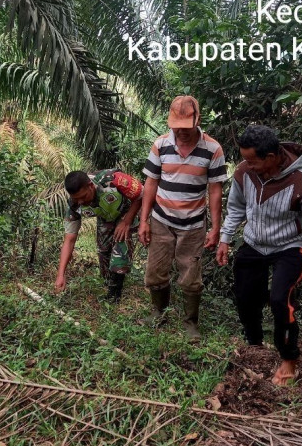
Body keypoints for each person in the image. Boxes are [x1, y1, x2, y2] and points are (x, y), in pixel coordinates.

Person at [216, 124, 302, 386]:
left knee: (280, 300)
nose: (246, 165)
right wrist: (225, 238)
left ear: (270, 158)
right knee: (246, 296)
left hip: (288, 247)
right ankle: (255, 344)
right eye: (244, 159)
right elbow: (236, 208)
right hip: (253, 243)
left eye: (252, 160)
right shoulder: (243, 173)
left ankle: (288, 359)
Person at [139, 96, 227, 341]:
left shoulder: (213, 149)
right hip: (161, 219)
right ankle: (159, 312)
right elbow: (151, 182)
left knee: (190, 276)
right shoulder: (160, 145)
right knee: (155, 271)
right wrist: (144, 220)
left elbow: (215, 190)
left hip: (193, 224)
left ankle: (190, 322)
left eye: (186, 126)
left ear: (197, 120)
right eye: (176, 125)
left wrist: (216, 227)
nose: (181, 131)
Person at [55, 169, 144, 303]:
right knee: (104, 252)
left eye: (83, 197)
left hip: (128, 211)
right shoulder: (74, 204)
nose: (80, 202)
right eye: (76, 199)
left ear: (91, 186)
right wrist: (61, 274)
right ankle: (109, 284)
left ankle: (115, 294)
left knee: (120, 246)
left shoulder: (112, 180)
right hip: (106, 216)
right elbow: (69, 239)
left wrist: (126, 221)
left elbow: (141, 194)